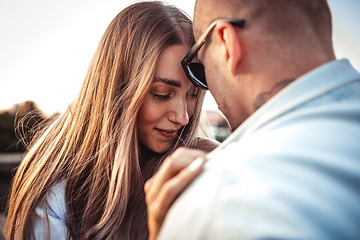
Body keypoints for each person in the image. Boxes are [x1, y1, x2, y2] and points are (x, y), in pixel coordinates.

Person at [145, 0, 360, 239]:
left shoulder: (221, 199)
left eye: (202, 69)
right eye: (162, 95)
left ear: (227, 43)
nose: (184, 118)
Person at [5, 1, 218, 239]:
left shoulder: (203, 167)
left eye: (193, 95)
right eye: (161, 94)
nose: (183, 117)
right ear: (119, 89)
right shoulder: (57, 197)